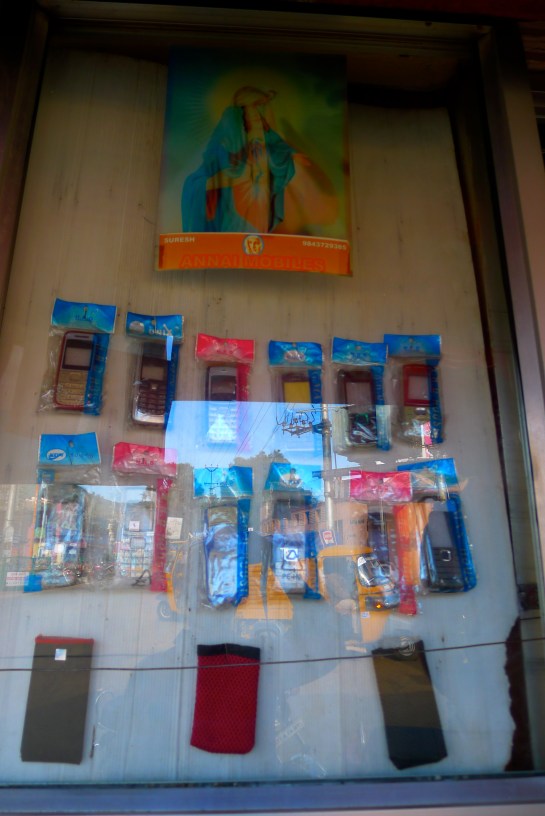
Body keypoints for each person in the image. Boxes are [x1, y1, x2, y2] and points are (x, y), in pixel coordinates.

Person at [182, 86, 338, 235]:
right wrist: (237, 169)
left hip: (261, 187)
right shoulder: (233, 129)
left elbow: (277, 145)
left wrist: (292, 154)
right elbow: (219, 157)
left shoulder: (265, 131)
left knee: (261, 221)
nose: (257, 115)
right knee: (236, 221)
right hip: (241, 185)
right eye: (254, 108)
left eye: (259, 109)